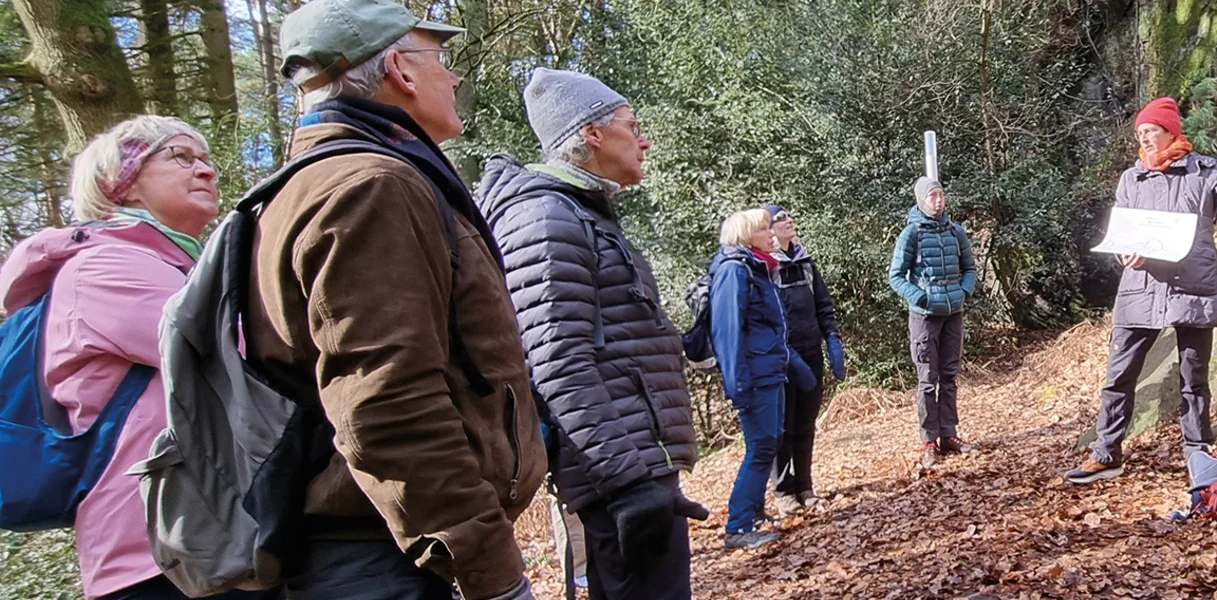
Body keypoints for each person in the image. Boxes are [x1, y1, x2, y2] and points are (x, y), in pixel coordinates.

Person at [249, 0, 546, 597]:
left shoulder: (319, 182)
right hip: (392, 559)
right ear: (400, 71)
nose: (453, 77)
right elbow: (388, 402)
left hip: (387, 547)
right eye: (439, 59)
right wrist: (488, 571)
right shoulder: (371, 187)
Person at [0, 118, 269, 600]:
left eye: (205, 159)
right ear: (118, 184)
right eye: (180, 157)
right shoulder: (105, 267)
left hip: (201, 537)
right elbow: (231, 351)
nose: (206, 170)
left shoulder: (172, 265)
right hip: (160, 553)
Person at [474, 67, 704, 600]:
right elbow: (555, 361)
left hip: (636, 464)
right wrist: (628, 482)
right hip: (620, 476)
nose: (643, 140)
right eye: (632, 126)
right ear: (591, 133)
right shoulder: (546, 217)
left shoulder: (579, 212)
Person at [1064, 97, 1217, 485]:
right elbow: (1123, 232)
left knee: (1194, 377)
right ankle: (1106, 454)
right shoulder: (1132, 178)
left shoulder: (1204, 170)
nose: (1144, 138)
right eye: (1139, 133)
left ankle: (1197, 453)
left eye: (1150, 131)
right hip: (1141, 288)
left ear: (1171, 131)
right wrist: (1125, 253)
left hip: (1193, 286)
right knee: (1119, 374)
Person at [708, 208, 811, 549]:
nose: (771, 234)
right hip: (755, 376)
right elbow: (728, 333)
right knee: (761, 445)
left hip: (770, 371)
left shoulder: (757, 268)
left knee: (771, 441)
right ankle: (738, 526)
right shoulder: (734, 271)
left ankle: (752, 514)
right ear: (746, 236)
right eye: (764, 229)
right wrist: (737, 385)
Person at [886, 177, 979, 470]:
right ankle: (929, 442)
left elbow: (970, 268)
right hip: (924, 317)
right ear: (921, 200)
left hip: (954, 314)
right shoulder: (910, 233)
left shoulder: (955, 231)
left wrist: (964, 291)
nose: (938, 201)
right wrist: (919, 297)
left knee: (949, 376)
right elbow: (896, 275)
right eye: (932, 196)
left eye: (941, 195)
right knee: (928, 380)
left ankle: (949, 435)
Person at [763, 204, 844, 514]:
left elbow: (823, 304)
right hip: (782, 360)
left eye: (789, 216)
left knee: (805, 424)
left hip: (811, 355)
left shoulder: (806, 263)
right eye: (780, 218)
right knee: (783, 426)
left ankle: (806, 486)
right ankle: (784, 491)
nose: (788, 220)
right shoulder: (765, 267)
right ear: (769, 229)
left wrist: (832, 338)